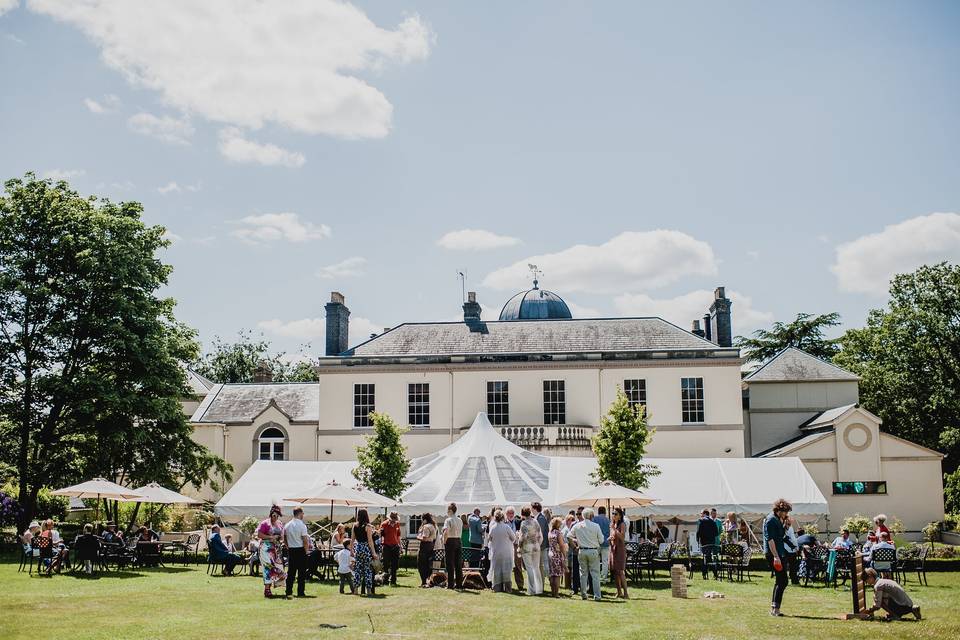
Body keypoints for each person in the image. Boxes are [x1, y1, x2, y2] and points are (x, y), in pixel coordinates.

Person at [763, 498, 793, 617]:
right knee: (782, 580)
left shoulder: (778, 520)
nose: (786, 514)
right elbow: (770, 540)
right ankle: (775, 609)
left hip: (780, 553)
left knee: (781, 581)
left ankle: (775, 608)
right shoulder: (771, 520)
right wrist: (776, 557)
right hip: (773, 553)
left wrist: (786, 526)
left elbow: (781, 537)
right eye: (785, 512)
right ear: (779, 510)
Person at [572, 507, 604, 601]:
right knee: (595, 574)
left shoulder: (577, 525)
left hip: (582, 550)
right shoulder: (596, 526)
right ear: (590, 516)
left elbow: (568, 536)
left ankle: (583, 594)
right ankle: (597, 595)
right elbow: (601, 540)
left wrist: (575, 545)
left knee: (583, 574)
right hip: (593, 551)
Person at [257, 505, 287, 598]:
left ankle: (273, 586)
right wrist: (270, 537)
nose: (276, 517)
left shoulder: (280, 524)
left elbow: (282, 535)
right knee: (268, 567)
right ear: (271, 514)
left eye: (277, 515)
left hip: (275, 548)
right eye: (274, 515)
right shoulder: (265, 523)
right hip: (265, 548)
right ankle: (267, 590)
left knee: (277, 566)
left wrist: (281, 539)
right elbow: (259, 534)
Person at [487, 509, 517, 593]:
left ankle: (497, 588)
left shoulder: (493, 528)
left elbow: (489, 539)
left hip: (496, 552)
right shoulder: (506, 527)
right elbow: (513, 538)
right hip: (506, 552)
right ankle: (507, 589)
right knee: (506, 570)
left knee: (497, 570)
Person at [283, 507, 309, 597]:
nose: (303, 515)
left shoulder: (287, 525)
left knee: (291, 572)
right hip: (300, 549)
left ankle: (288, 591)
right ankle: (300, 592)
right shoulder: (302, 525)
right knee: (301, 573)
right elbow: (305, 540)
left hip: (291, 549)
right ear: (300, 513)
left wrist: (288, 546)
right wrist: (307, 551)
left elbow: (284, 538)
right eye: (302, 513)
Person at [353, 508, 379, 596]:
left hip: (358, 548)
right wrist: (374, 553)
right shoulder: (368, 526)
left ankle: (356, 590)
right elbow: (370, 541)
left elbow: (352, 540)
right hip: (365, 548)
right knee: (367, 570)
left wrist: (351, 551)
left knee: (357, 570)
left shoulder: (355, 526)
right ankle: (368, 591)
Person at [518, 506, 543, 595]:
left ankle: (532, 590)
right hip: (536, 546)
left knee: (529, 568)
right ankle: (539, 589)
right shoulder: (535, 521)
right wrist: (538, 544)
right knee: (536, 568)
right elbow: (540, 535)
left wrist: (519, 547)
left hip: (527, 547)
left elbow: (523, 537)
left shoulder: (524, 523)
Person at [442, 502, 463, 590]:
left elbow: (446, 532)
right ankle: (459, 584)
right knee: (458, 564)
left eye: (447, 510)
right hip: (458, 540)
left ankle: (450, 585)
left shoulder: (448, 520)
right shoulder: (460, 520)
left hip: (450, 540)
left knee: (450, 564)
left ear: (450, 510)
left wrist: (444, 541)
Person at [380, 511, 402, 586]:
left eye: (395, 520)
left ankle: (393, 580)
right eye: (392, 520)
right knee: (385, 564)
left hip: (395, 546)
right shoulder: (384, 524)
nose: (394, 521)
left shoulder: (397, 524)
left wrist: (400, 546)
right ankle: (385, 580)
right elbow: (381, 536)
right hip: (386, 546)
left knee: (395, 565)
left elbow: (398, 536)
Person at [610, 507, 629, 599]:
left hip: (620, 549)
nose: (613, 515)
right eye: (613, 513)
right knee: (615, 571)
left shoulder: (622, 524)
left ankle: (626, 593)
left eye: (615, 514)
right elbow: (613, 536)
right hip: (613, 549)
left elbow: (622, 537)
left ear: (620, 515)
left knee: (621, 571)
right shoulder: (613, 524)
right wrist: (610, 538)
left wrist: (615, 530)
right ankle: (619, 592)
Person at [504, 505, 524, 591]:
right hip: (507, 546)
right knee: (507, 565)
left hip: (516, 546)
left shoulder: (518, 521)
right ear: (506, 514)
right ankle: (507, 585)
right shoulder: (504, 522)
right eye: (509, 513)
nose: (511, 514)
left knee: (518, 565)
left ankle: (520, 585)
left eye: (512, 513)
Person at [547, 516, 567, 597]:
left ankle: (552, 592)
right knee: (557, 575)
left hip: (550, 553)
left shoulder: (550, 532)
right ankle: (556, 593)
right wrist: (564, 555)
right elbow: (562, 545)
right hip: (557, 555)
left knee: (552, 574)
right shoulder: (558, 533)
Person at [416, 513, 438, 587]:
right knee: (429, 565)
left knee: (421, 564)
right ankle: (429, 581)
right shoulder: (433, 526)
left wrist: (418, 537)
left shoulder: (426, 527)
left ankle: (423, 582)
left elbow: (424, 538)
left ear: (425, 519)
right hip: (431, 546)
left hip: (424, 546)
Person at [697, 509, 719, 579]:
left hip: (704, 543)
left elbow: (699, 532)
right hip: (711, 543)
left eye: (701, 514)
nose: (701, 515)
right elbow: (716, 533)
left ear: (704, 514)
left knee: (705, 558)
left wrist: (698, 540)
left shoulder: (701, 521)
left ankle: (704, 573)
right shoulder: (713, 521)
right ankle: (714, 573)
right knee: (708, 558)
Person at [562, 513, 579, 595]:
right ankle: (567, 585)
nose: (572, 521)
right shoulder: (565, 529)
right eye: (571, 520)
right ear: (567, 521)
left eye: (573, 519)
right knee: (568, 567)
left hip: (572, 549)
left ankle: (571, 584)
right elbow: (565, 540)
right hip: (568, 549)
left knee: (571, 568)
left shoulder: (571, 528)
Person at [533, 502, 550, 582]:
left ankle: (551, 581)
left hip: (541, 546)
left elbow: (540, 534)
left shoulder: (541, 519)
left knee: (542, 566)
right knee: (539, 566)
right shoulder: (538, 518)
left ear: (534, 509)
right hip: (539, 546)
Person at [594, 505, 611, 582]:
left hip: (596, 542)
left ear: (598, 511)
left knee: (596, 561)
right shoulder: (608, 520)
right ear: (605, 512)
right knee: (605, 561)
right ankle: (604, 577)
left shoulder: (595, 519)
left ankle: (596, 576)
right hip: (606, 542)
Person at [783, 516, 800, 586]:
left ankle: (784, 580)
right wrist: (797, 548)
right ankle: (794, 581)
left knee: (784, 566)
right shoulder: (790, 528)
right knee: (793, 566)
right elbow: (793, 539)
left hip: (784, 548)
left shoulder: (782, 527)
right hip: (791, 550)